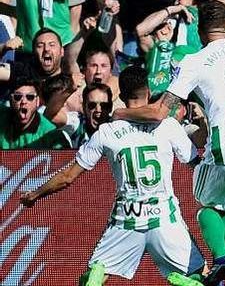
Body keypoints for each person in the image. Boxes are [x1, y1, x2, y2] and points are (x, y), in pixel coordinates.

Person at [114, 1, 225, 285]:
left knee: (207, 206)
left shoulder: (194, 61)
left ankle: (222, 261)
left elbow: (159, 112)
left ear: (200, 31)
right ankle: (221, 268)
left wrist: (120, 112)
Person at [19, 66, 209, 286]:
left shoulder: (107, 132)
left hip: (126, 219)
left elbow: (67, 177)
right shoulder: (168, 126)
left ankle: (97, 275)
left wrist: (35, 193)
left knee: (92, 277)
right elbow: (196, 163)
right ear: (148, 91)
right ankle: (186, 280)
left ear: (122, 95)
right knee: (200, 272)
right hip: (164, 218)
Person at [0, 77, 69, 149]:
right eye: (18, 97)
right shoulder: (2, 115)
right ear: (11, 101)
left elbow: (65, 157)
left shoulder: (49, 133)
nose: (23, 101)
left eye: (30, 97)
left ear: (37, 101)